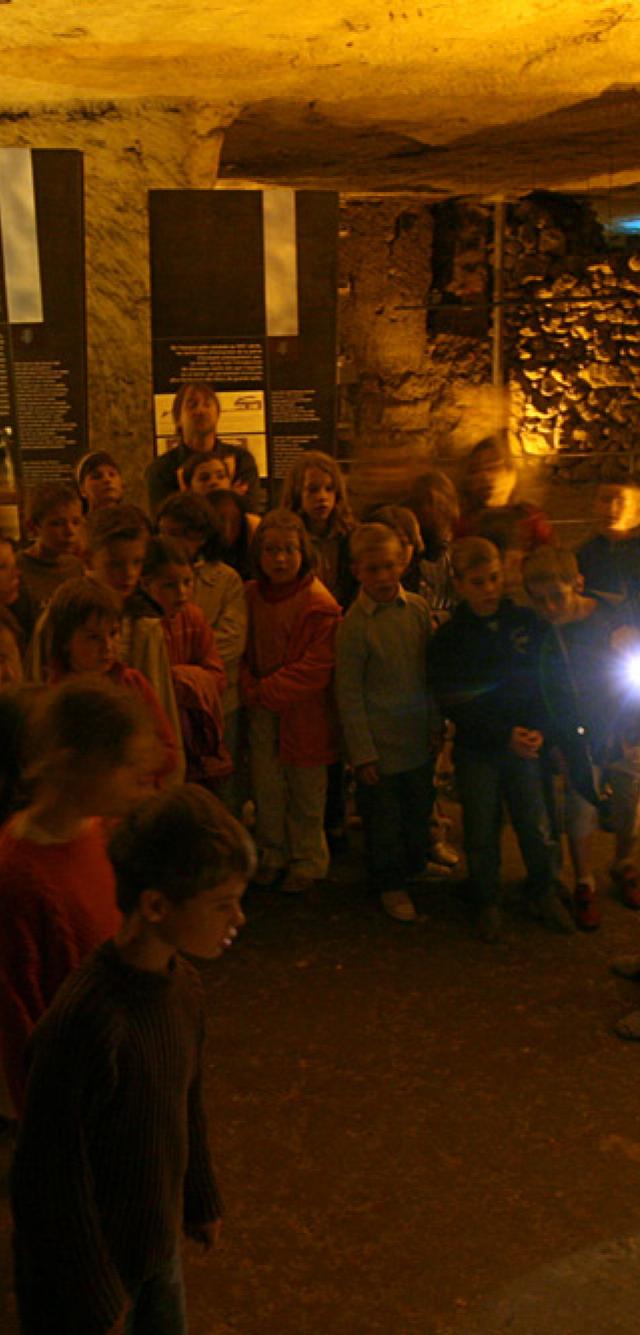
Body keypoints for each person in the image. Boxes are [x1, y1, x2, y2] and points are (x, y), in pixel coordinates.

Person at [10, 783, 254, 1335]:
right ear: (155, 905)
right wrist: (96, 1293)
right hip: (83, 1278)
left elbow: (184, 1103)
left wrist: (198, 1197)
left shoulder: (183, 989)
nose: (238, 918)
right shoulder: (85, 1023)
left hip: (152, 1243)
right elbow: (47, 1176)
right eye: (222, 904)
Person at [0, 677, 156, 1113]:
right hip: (72, 1098)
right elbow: (20, 1020)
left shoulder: (96, 833)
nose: (139, 780)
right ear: (73, 764)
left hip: (110, 1068)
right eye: (124, 764)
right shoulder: (19, 877)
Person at [429, 537, 571, 941]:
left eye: (493, 578)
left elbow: (547, 681)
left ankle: (542, 889)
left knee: (535, 822)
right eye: (477, 582)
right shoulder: (451, 640)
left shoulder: (527, 623)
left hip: (526, 742)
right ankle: (486, 898)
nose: (489, 588)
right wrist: (501, 733)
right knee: (480, 827)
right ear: (459, 584)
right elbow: (455, 699)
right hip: (480, 749)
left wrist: (540, 729)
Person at [523, 545, 640, 928]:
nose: (551, 607)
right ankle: (584, 880)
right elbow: (543, 690)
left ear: (578, 583)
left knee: (627, 802)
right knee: (579, 809)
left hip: (621, 727)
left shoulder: (610, 619)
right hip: (577, 735)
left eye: (557, 596)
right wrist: (556, 740)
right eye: (540, 601)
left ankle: (624, 863)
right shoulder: (543, 634)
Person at [28, 504, 184, 772]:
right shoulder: (56, 619)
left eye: (137, 563)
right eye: (115, 564)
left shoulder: (145, 626)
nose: (129, 575)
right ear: (88, 559)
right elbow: (35, 693)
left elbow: (162, 716)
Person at [336, 523, 440, 922]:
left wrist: (434, 725)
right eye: (373, 569)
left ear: (403, 564)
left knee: (417, 809)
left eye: (389, 567)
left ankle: (413, 868)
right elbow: (349, 692)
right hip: (379, 746)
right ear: (357, 571)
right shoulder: (356, 626)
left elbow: (427, 672)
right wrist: (361, 752)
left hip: (415, 738)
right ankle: (389, 883)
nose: (382, 577)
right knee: (383, 821)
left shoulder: (416, 609)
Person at [241, 509, 341, 892]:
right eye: (271, 551)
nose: (280, 559)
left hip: (304, 713)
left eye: (288, 550)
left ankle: (308, 860)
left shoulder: (318, 603)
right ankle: (273, 853)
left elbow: (316, 665)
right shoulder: (251, 596)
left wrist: (264, 690)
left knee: (305, 791)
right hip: (263, 710)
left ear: (303, 552)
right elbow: (242, 649)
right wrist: (249, 682)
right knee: (267, 787)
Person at [45, 577, 181, 787]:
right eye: (93, 637)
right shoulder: (55, 698)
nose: (107, 646)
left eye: (113, 633)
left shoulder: (132, 683)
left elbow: (170, 753)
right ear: (65, 642)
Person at [141, 537, 230, 786]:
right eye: (169, 585)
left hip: (193, 735)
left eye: (187, 582)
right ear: (146, 584)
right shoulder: (142, 625)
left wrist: (179, 679)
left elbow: (217, 675)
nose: (181, 593)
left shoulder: (192, 616)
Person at [146, 381, 260, 514]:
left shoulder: (241, 460)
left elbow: (248, 512)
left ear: (217, 414)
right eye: (192, 405)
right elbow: (164, 521)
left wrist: (188, 500)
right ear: (178, 419)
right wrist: (228, 496)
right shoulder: (161, 469)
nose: (201, 410)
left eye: (207, 404)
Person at [281, 450, 357, 610]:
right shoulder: (288, 537)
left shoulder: (349, 534)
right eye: (313, 490)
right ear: (297, 494)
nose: (322, 497)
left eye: (329, 489)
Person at [457, 437, 553, 552]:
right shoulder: (463, 525)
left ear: (511, 474)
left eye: (492, 468)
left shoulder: (532, 520)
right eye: (476, 470)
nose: (484, 476)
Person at [17, 482, 84, 608]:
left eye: (76, 522)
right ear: (33, 526)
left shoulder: (75, 566)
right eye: (57, 523)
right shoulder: (18, 569)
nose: (70, 531)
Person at [577, 477, 640, 600]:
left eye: (621, 502)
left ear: (637, 509)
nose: (611, 509)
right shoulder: (584, 553)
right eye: (605, 500)